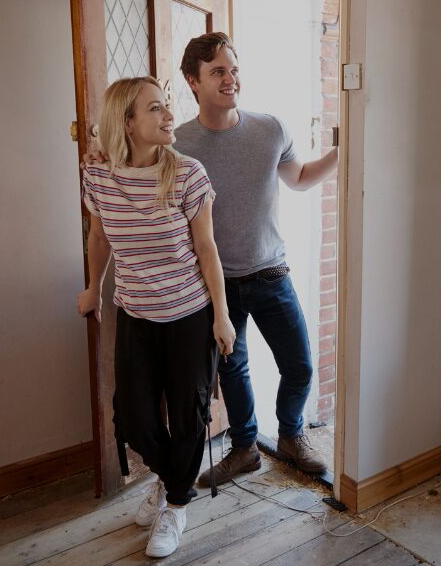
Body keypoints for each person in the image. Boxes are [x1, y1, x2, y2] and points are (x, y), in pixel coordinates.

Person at [77, 76, 235, 558]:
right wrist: (93, 288)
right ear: (126, 122)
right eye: (155, 109)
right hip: (137, 315)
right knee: (136, 418)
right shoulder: (98, 175)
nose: (169, 116)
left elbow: (207, 250)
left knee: (188, 417)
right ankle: (171, 480)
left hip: (190, 313)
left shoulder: (188, 174)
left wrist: (221, 317)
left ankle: (177, 504)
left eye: (166, 106)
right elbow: (100, 238)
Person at [176, 32, 338, 482]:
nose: (230, 80)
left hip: (271, 272)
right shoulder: (179, 146)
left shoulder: (270, 129)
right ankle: (245, 449)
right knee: (233, 371)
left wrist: (344, 152)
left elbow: (300, 178)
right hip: (216, 284)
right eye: (217, 72)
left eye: (233, 69)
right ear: (193, 80)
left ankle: (290, 435)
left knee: (301, 366)